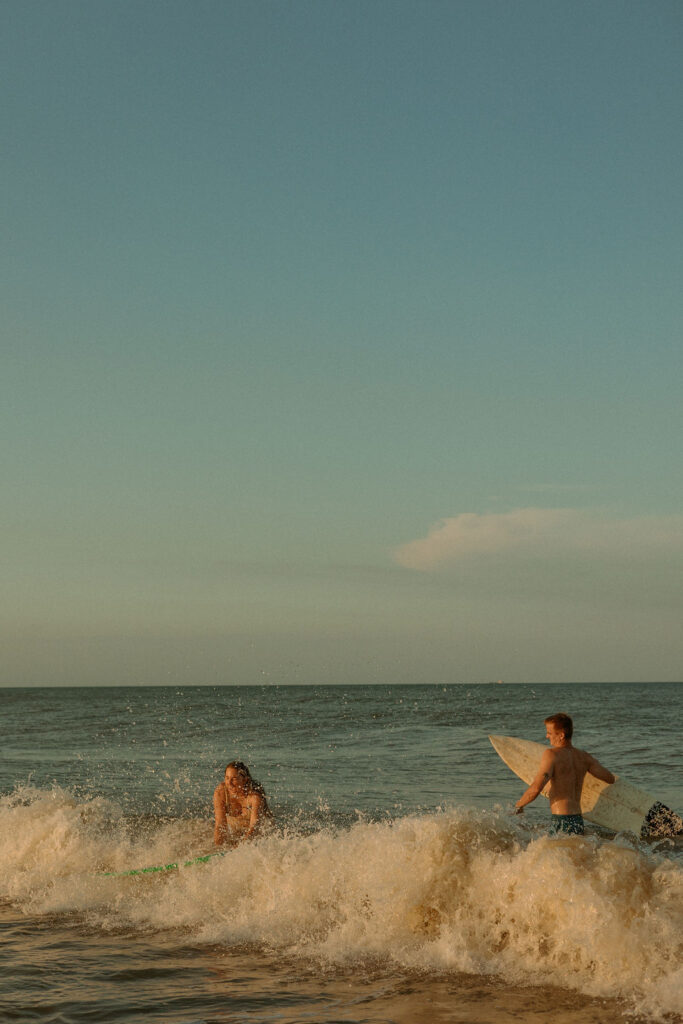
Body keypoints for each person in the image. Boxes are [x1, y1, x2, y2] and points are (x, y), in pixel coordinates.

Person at [514, 713, 615, 835]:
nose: (546, 736)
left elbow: (536, 788)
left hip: (561, 820)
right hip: (578, 820)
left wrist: (518, 806)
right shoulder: (584, 757)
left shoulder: (551, 754)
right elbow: (610, 778)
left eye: (550, 733)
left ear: (561, 735)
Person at [213, 761, 272, 846]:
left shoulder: (254, 797)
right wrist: (218, 848)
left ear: (245, 780)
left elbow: (254, 828)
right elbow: (220, 825)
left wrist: (240, 849)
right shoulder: (221, 792)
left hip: (257, 835)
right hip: (236, 832)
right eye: (227, 778)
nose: (229, 783)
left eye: (234, 779)